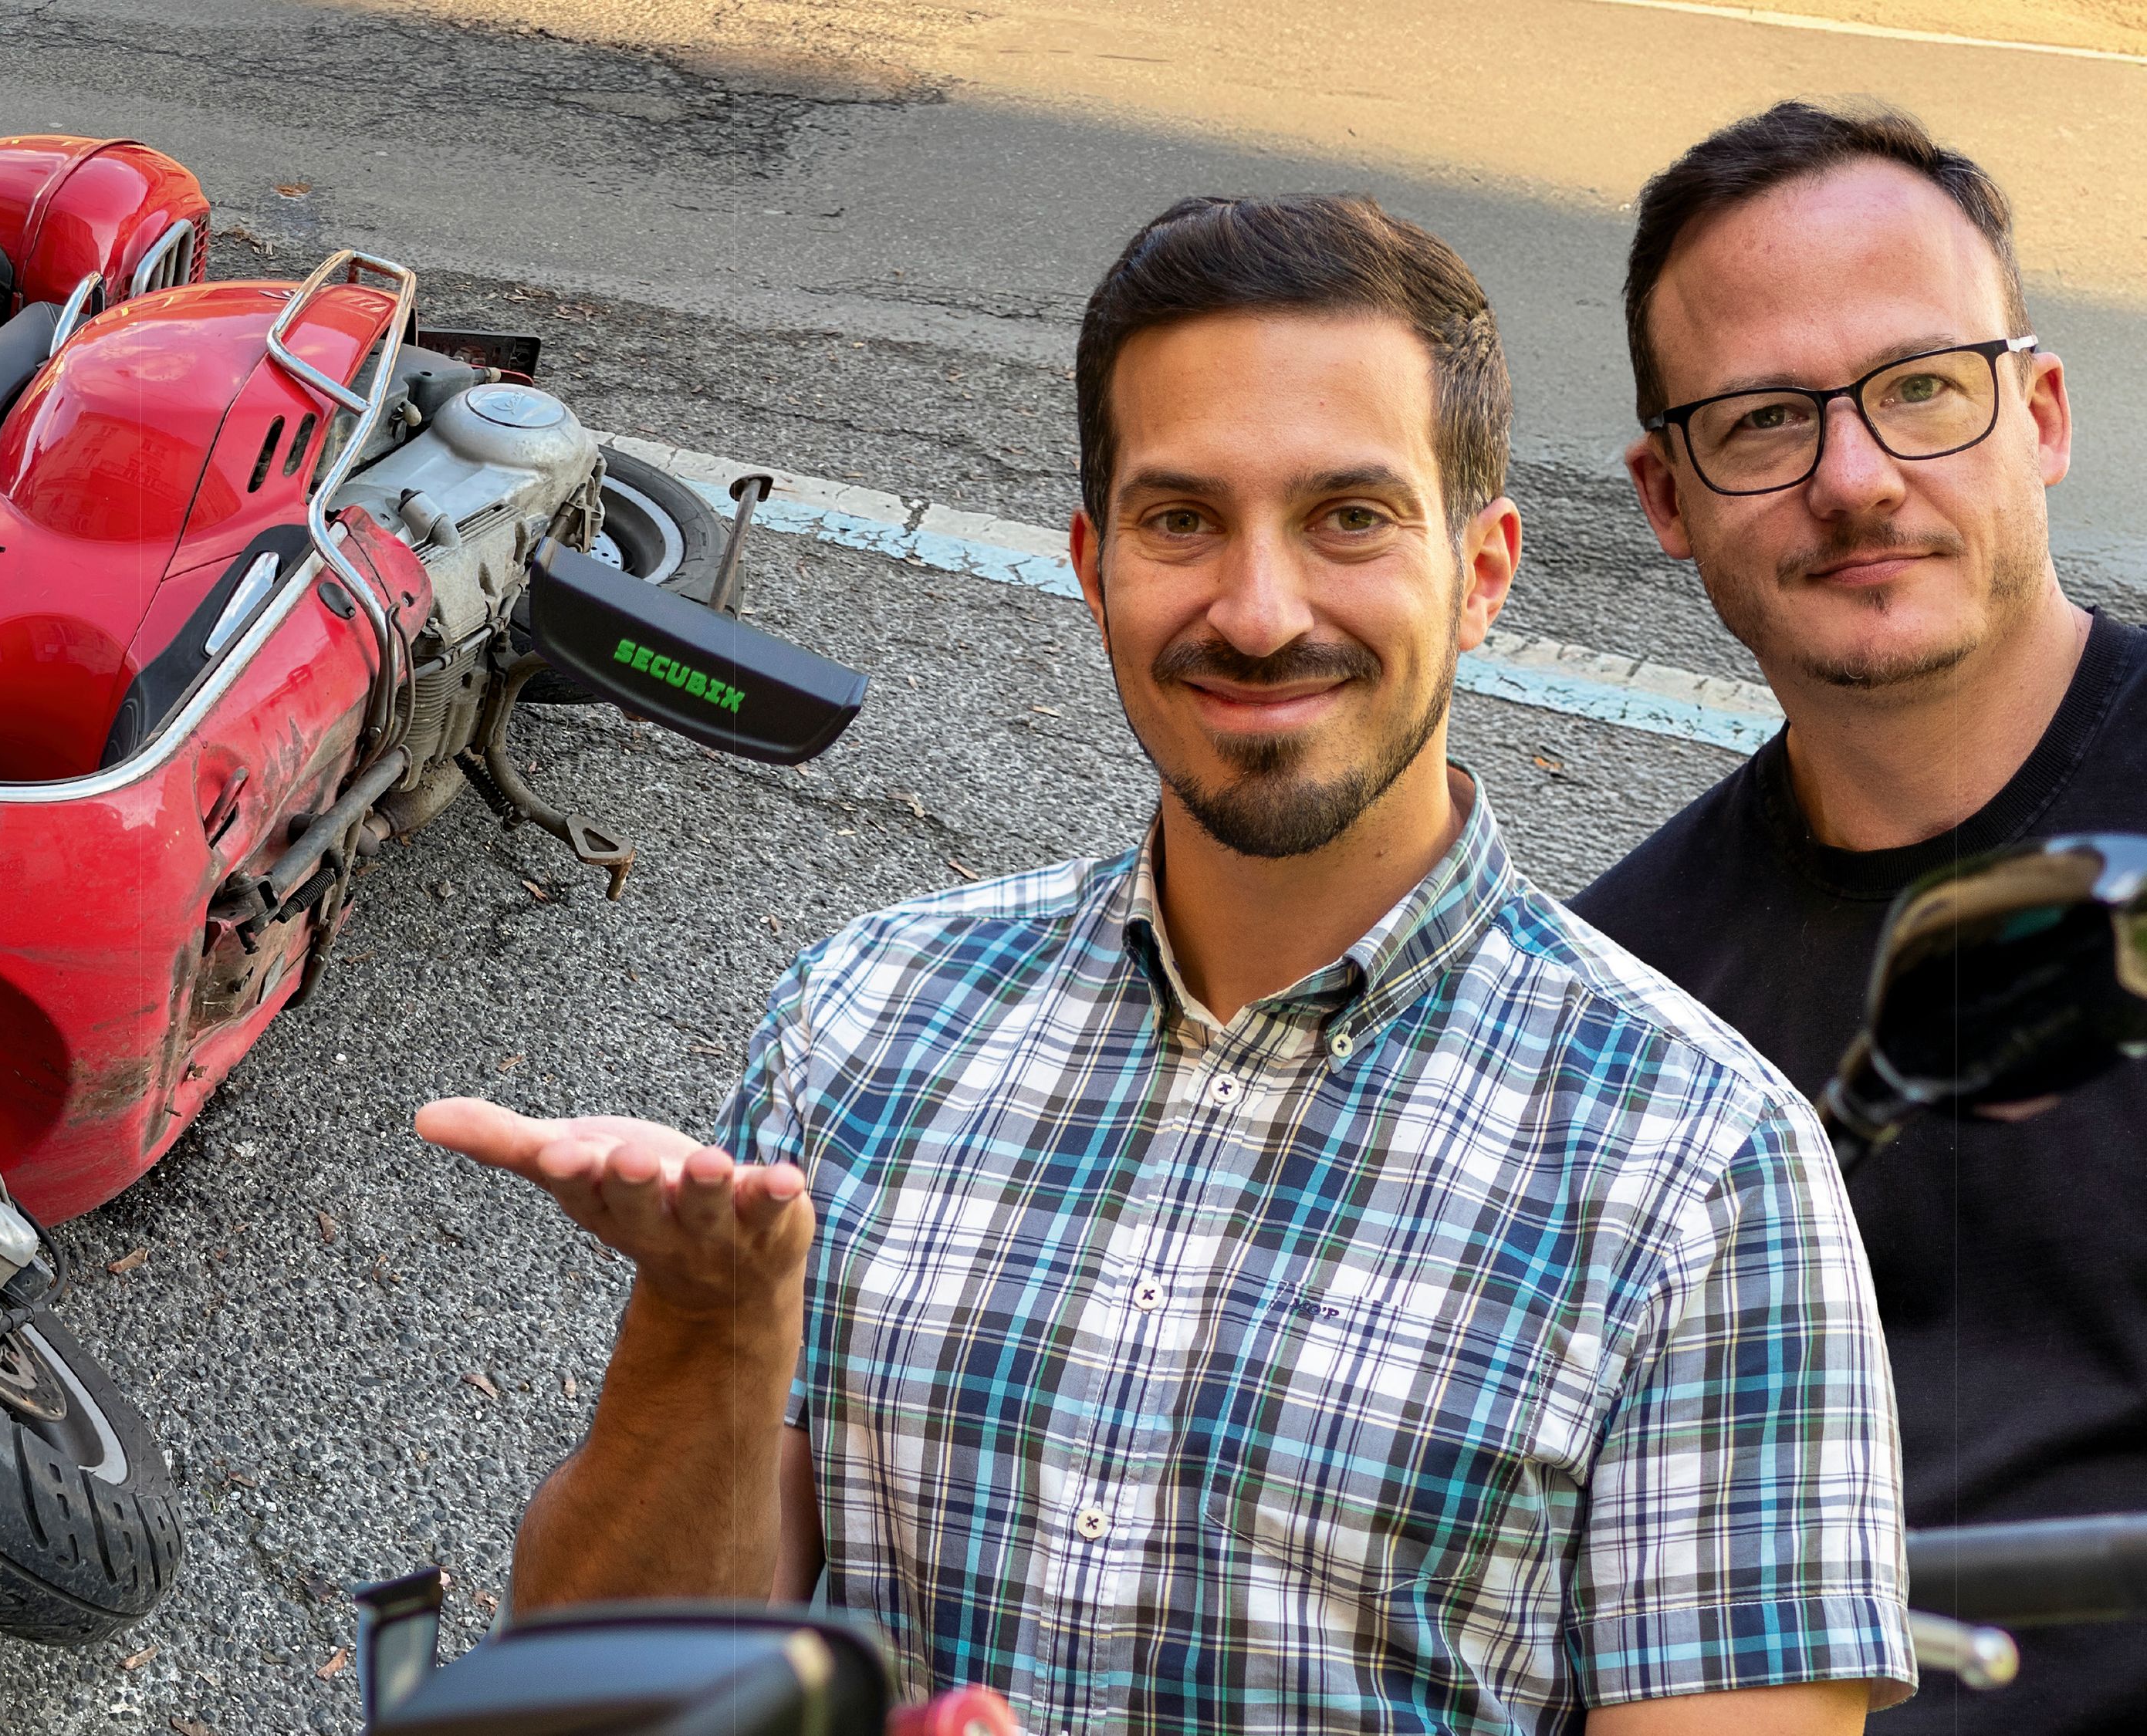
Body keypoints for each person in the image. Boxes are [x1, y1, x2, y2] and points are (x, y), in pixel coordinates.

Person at [423, 194, 1912, 1733]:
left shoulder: (1705, 1170)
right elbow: (612, 1688)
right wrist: (704, 1322)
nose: (1257, 614)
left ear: (1481, 573)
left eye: (1347, 516)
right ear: (1092, 565)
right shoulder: (867, 1017)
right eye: (1179, 519)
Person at [1573, 101, 2147, 1736]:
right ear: (1665, 497)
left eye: (1916, 390)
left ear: (2033, 412)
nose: (1849, 477)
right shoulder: (1625, 1003)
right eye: (1760, 421)